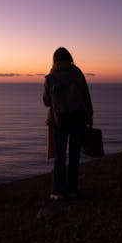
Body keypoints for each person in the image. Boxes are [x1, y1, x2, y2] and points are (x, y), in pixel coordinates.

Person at [43, 47, 93, 200]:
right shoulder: (77, 73)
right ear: (70, 58)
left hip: (59, 122)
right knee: (74, 156)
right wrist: (90, 116)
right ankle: (72, 190)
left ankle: (58, 192)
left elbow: (46, 101)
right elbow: (85, 95)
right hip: (78, 119)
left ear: (55, 60)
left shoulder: (50, 77)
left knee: (59, 156)